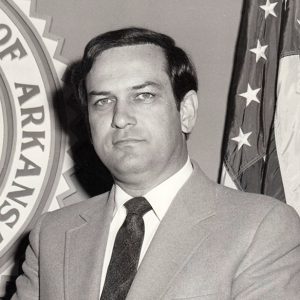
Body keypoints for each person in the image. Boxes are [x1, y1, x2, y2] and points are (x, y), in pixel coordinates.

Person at [12, 27, 300, 300]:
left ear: (186, 111)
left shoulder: (261, 228)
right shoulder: (51, 234)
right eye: (102, 102)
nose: (121, 117)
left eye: (144, 96)